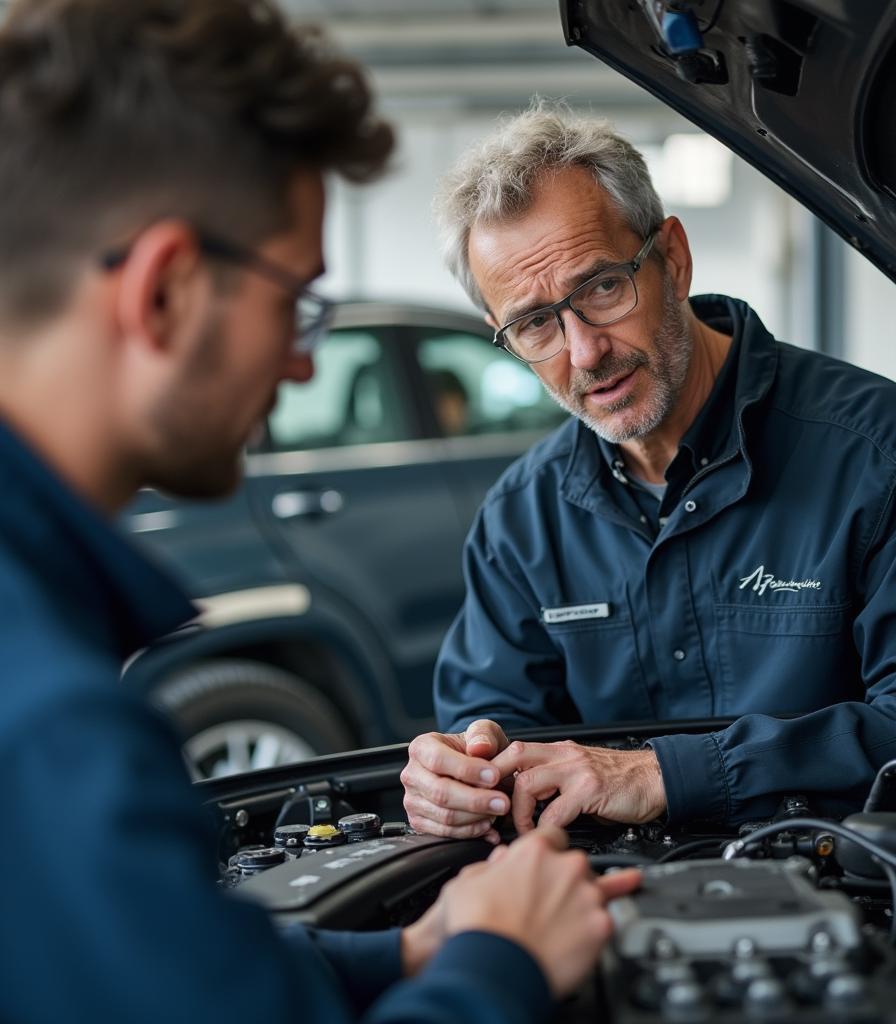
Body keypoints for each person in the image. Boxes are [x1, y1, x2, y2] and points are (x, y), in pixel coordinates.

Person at [0, 7, 639, 1023]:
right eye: (295, 303)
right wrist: (499, 964)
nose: (303, 362)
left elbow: (186, 980)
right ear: (165, 291)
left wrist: (416, 950)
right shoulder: (48, 728)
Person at [400, 103, 896, 843]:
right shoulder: (520, 521)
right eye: (536, 323)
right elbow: (497, 727)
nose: (585, 352)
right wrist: (461, 775)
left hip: (861, 898)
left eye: (601, 287)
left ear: (673, 258)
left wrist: (663, 776)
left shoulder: (891, 461)